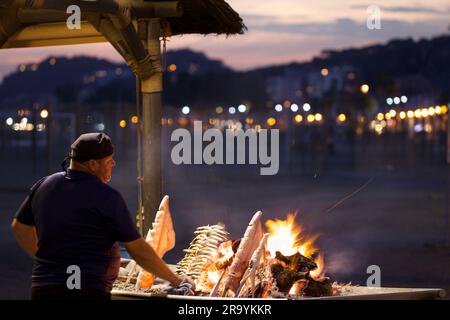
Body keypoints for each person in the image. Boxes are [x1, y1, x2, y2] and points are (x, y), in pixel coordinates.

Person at [11, 132, 192, 300]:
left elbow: (19, 227)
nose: (113, 165)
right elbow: (138, 250)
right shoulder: (105, 197)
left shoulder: (44, 185)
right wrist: (177, 280)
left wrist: (47, 259)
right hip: (85, 291)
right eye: (109, 161)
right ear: (92, 164)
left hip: (43, 289)